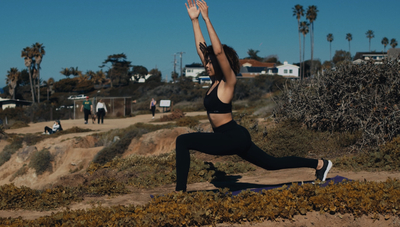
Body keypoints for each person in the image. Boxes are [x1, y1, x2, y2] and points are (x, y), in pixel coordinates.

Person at [175, 0, 333, 192]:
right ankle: (320, 164)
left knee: (183, 141)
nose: (206, 65)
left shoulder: (228, 81)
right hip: (229, 136)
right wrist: (194, 21)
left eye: (209, 63)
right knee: (271, 164)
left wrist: (207, 18)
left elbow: (217, 51)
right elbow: (204, 50)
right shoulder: (214, 81)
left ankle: (180, 192)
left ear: (220, 63)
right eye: (206, 63)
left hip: (233, 136)